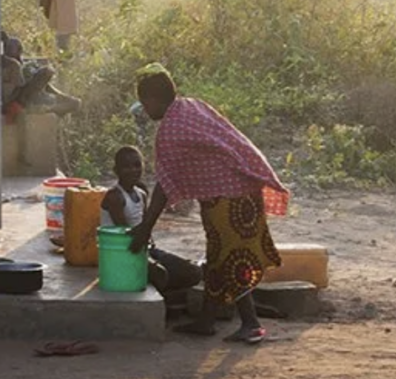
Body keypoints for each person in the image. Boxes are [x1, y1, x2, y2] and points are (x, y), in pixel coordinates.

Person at [131, 67, 289, 342]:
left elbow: (163, 186)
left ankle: (251, 323)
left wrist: (145, 227)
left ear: (155, 99)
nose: (145, 110)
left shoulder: (170, 130)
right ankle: (206, 320)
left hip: (228, 198)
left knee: (230, 259)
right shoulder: (191, 106)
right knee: (219, 257)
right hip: (243, 189)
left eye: (145, 103)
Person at [100, 143, 199, 305]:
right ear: (116, 171)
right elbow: (126, 237)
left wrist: (150, 250)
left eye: (137, 165)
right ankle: (168, 301)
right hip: (124, 252)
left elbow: (146, 227)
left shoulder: (142, 194)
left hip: (145, 248)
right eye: (126, 167)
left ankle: (169, 299)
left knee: (193, 272)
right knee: (161, 274)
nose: (133, 170)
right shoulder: (115, 197)